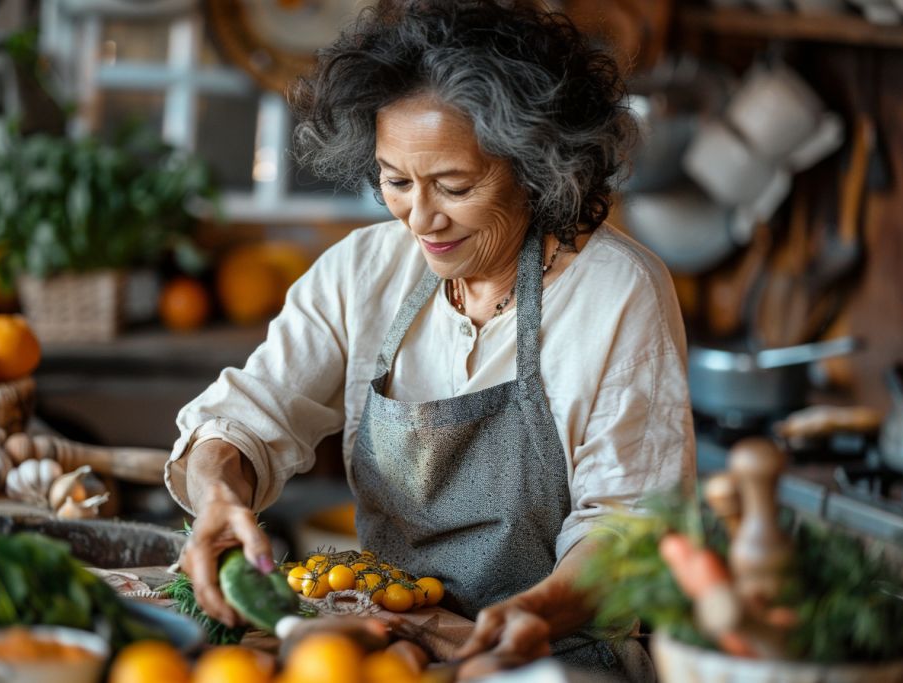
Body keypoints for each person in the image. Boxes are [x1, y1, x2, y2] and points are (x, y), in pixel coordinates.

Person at [167, 1, 695, 679]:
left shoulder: (616, 292)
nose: (421, 217)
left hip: (554, 656)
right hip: (382, 647)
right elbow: (245, 416)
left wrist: (537, 611)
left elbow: (629, 526)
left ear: (535, 164)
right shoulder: (364, 271)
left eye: (454, 185)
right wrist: (219, 492)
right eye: (395, 181)